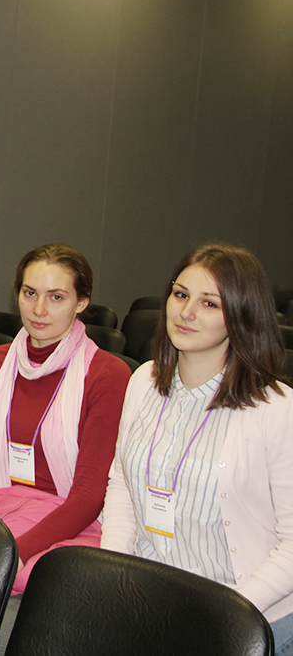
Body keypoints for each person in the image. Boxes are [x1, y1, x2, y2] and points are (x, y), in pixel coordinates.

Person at [101, 244, 293, 653]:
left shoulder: (277, 409)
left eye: (209, 303)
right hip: (150, 596)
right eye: (181, 294)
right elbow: (121, 485)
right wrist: (114, 574)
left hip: (245, 612)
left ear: (241, 315)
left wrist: (226, 612)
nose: (186, 312)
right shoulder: (143, 381)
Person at [0, 244, 130, 593]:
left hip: (67, 524)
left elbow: (89, 495)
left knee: (32, 577)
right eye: (29, 293)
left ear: (81, 302)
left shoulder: (108, 374)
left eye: (56, 297)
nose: (39, 309)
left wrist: (16, 553)